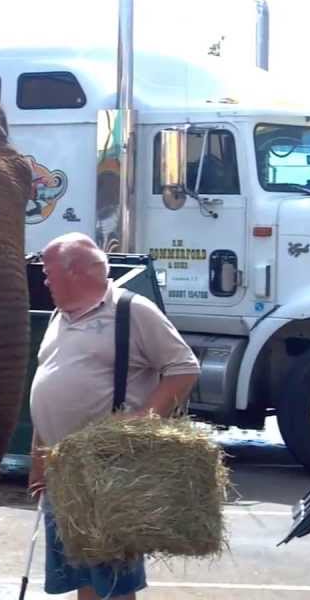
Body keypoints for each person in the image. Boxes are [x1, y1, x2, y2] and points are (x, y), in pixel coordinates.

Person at [27, 232, 200, 600]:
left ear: (75, 272)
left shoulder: (132, 310)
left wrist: (144, 420)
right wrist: (38, 459)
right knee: (82, 575)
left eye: (48, 272)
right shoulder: (60, 316)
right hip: (63, 469)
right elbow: (49, 386)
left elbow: (184, 368)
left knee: (113, 580)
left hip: (109, 469)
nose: (43, 281)